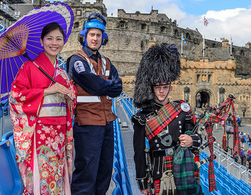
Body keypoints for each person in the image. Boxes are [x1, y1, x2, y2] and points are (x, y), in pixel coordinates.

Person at [9, 22, 77, 194]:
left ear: (63, 42)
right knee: (42, 177)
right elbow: (16, 96)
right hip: (40, 132)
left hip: (60, 133)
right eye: (49, 39)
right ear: (41, 41)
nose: (54, 43)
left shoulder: (62, 72)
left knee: (57, 175)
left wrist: (70, 96)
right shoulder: (29, 67)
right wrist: (46, 91)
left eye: (58, 39)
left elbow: (72, 96)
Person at [132, 44, 202, 195]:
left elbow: (198, 138)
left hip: (184, 169)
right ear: (152, 88)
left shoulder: (183, 110)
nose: (161, 91)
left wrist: (192, 140)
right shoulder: (142, 117)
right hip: (158, 172)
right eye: (158, 87)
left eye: (164, 87)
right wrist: (142, 182)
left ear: (170, 87)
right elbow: (138, 153)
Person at [68, 13, 122, 195]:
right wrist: (104, 85)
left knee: (104, 172)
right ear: (84, 36)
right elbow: (92, 82)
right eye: (92, 34)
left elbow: (118, 87)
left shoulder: (107, 62)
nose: (95, 38)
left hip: (107, 123)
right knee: (86, 173)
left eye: (99, 35)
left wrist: (101, 86)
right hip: (87, 124)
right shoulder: (76, 60)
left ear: (103, 38)